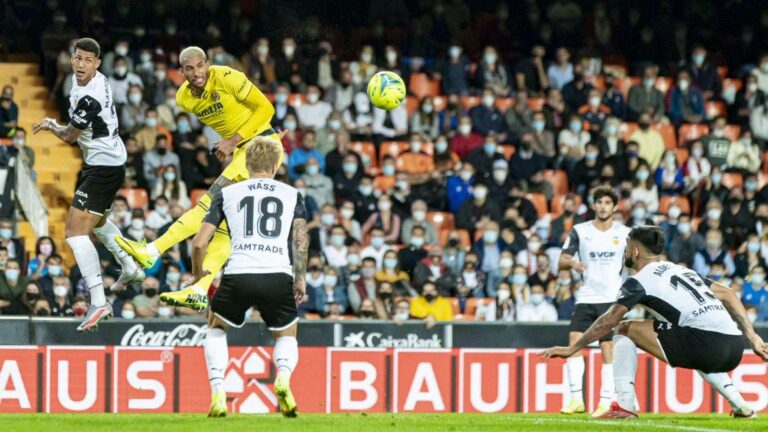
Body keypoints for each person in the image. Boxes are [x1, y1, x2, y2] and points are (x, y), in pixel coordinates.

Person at [116, 46, 281, 311]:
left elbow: (266, 109)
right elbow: (229, 117)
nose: (197, 73)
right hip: (247, 149)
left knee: (208, 205)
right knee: (225, 227)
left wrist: (237, 140)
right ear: (180, 72)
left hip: (258, 148)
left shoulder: (228, 77)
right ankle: (199, 289)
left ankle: (153, 251)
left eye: (200, 65)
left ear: (208, 63)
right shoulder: (184, 99)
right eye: (189, 68)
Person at [541, 225, 766, 419]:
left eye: (627, 247)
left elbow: (608, 320)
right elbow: (728, 294)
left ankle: (625, 404)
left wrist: (573, 348)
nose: (625, 252)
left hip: (706, 345)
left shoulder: (637, 282)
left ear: (636, 251)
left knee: (624, 328)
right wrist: (753, 337)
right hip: (735, 346)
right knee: (691, 335)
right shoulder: (682, 270)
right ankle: (741, 405)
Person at [189, 138, 307, 417]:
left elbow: (198, 243)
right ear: (276, 165)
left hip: (239, 272)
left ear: (247, 163)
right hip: (277, 273)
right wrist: (299, 278)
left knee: (216, 328)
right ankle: (284, 379)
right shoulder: (293, 194)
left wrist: (198, 274)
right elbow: (300, 240)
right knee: (286, 334)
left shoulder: (228, 193)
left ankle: (218, 392)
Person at [32, 38, 143, 332]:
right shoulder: (88, 80)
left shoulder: (90, 97)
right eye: (77, 58)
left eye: (87, 60)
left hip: (103, 167)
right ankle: (129, 265)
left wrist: (51, 124)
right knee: (98, 222)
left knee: (74, 232)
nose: (80, 64)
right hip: (106, 161)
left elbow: (69, 136)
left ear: (97, 63)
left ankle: (99, 301)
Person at [557, 186, 631, 416]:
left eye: (608, 202)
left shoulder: (625, 232)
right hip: (586, 297)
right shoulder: (580, 230)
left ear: (615, 207)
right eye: (599, 202)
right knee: (574, 343)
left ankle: (606, 400)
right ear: (593, 205)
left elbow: (636, 261)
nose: (603, 206)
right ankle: (576, 399)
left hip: (612, 298)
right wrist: (572, 263)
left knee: (607, 347)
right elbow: (561, 259)